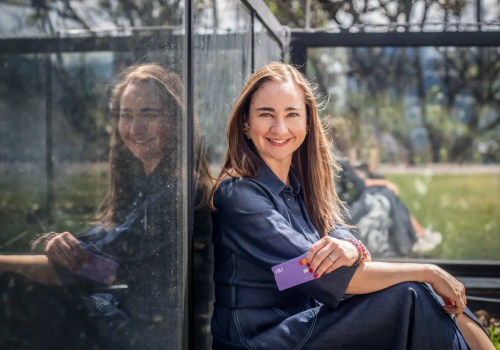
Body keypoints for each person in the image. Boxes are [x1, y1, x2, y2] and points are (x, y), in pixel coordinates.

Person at [210, 62, 493, 350]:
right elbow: (311, 276)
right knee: (413, 292)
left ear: (307, 122)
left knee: (428, 293)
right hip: (261, 341)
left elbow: (338, 259)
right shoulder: (239, 196)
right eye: (266, 114)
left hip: (304, 324)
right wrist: (426, 271)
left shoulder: (302, 189)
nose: (279, 128)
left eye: (291, 114)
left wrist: (353, 249)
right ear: (246, 120)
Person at [0, 64, 212, 350]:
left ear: (176, 120)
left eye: (149, 114)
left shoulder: (175, 192)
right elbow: (104, 241)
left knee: (18, 289)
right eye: (127, 115)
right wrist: (53, 241)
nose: (135, 128)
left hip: (153, 337)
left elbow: (99, 269)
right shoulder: (150, 186)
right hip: (132, 321)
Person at [323, 116, 442, 257]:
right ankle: (415, 238)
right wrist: (384, 183)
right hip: (345, 213)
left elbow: (351, 182)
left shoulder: (330, 155)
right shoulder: (337, 158)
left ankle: (416, 237)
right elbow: (359, 185)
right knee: (387, 193)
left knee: (386, 193)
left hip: (341, 209)